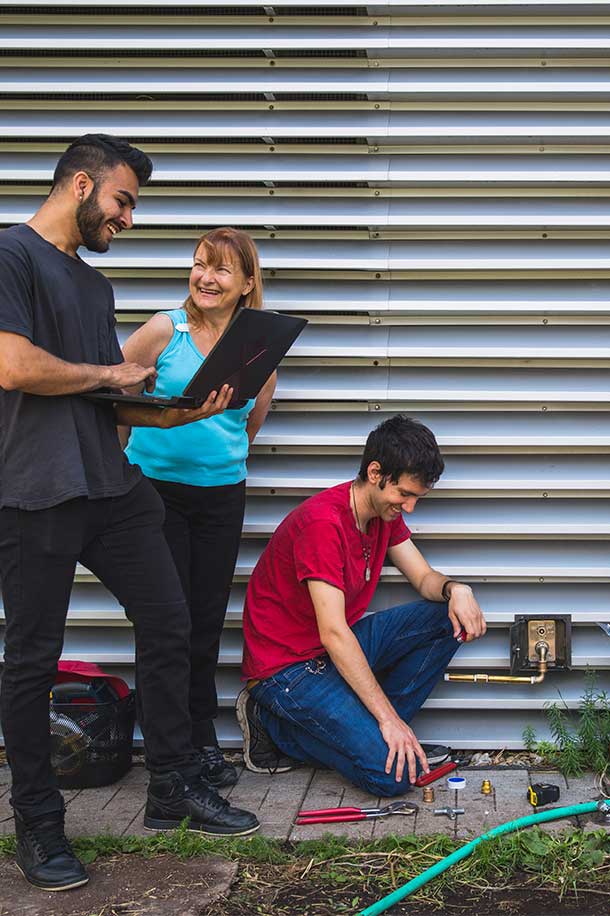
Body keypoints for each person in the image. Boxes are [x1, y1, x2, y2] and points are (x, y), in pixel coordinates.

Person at [0, 135, 259, 893]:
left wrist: (178, 413)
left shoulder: (92, 286)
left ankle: (172, 785)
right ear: (81, 186)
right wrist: (110, 371)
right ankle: (39, 826)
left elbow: (103, 399)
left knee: (173, 620)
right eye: (123, 201)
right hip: (35, 491)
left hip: (110, 485)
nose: (129, 218)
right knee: (31, 661)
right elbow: (14, 365)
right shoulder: (12, 255)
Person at [237, 415, 487, 795]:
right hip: (287, 671)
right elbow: (334, 633)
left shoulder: (380, 516)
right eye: (405, 494)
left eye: (418, 497)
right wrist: (387, 718)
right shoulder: (323, 524)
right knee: (392, 777)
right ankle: (274, 729)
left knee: (445, 617)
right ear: (375, 472)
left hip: (329, 653)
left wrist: (456, 589)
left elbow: (423, 579)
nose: (410, 507)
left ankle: (383, 739)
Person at [121, 227, 276, 788]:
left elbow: (248, 424)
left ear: (246, 284)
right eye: (199, 265)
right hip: (155, 493)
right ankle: (172, 745)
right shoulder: (166, 328)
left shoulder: (257, 346)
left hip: (221, 496)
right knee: (168, 620)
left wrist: (219, 459)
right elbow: (115, 402)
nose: (205, 278)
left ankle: (201, 734)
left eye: (221, 270)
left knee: (206, 620)